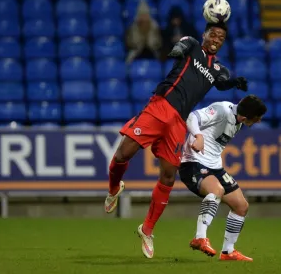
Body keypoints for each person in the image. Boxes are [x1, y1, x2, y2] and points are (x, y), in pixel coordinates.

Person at [104, 21, 248, 259]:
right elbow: (177, 48)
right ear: (205, 34)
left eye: (221, 37)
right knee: (122, 155)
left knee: (169, 176)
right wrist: (177, 51)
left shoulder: (219, 69)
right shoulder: (191, 44)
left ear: (223, 42)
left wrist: (234, 82)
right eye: (213, 34)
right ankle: (113, 188)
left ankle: (147, 230)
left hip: (178, 123)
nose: (216, 39)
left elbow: (221, 82)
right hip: (160, 107)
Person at [179, 95, 267, 261]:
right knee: (216, 190)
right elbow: (192, 117)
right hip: (193, 163)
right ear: (245, 117)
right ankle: (200, 237)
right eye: (256, 119)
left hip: (214, 167)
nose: (259, 122)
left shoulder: (239, 120)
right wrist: (198, 136)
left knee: (241, 206)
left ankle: (228, 252)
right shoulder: (222, 109)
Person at [126, 0, 162, 64]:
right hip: (136, 51)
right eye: (141, 15)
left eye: (145, 15)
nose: (144, 17)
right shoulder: (133, 27)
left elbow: (159, 43)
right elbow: (129, 43)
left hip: (152, 50)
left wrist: (150, 41)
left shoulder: (155, 26)